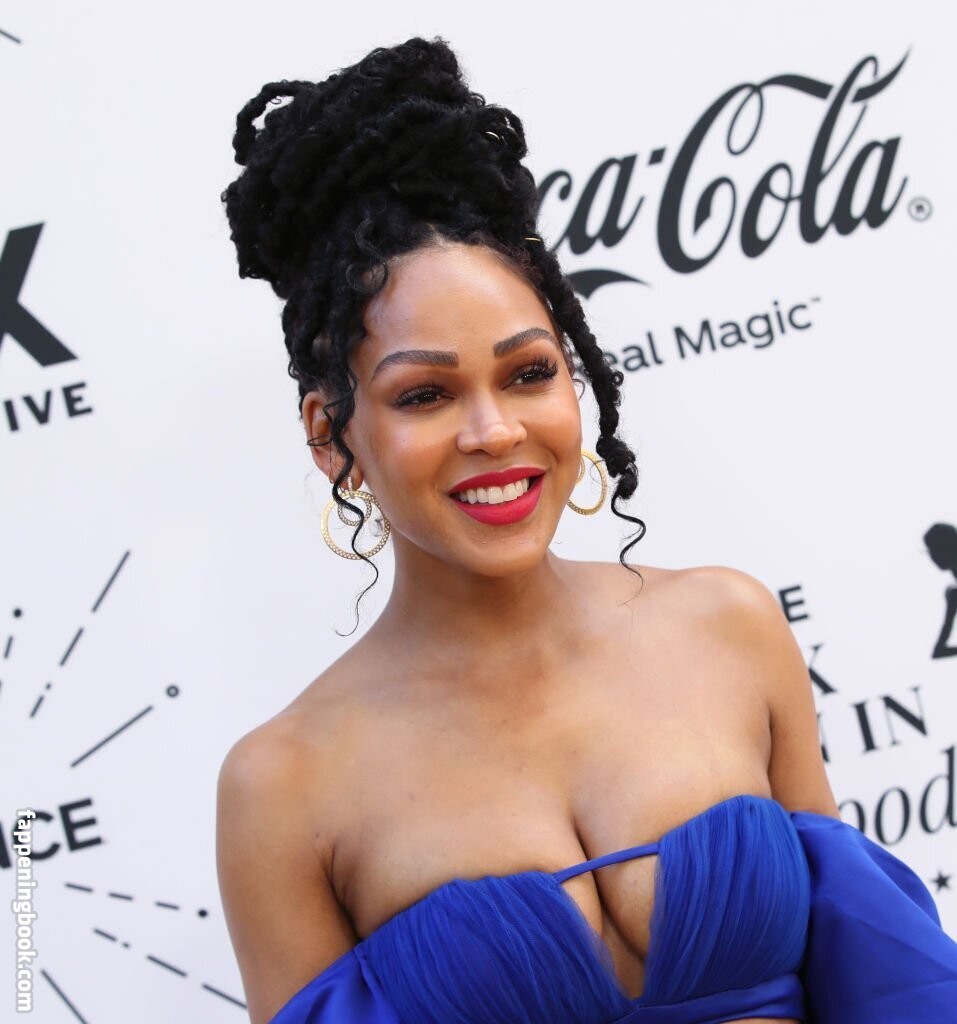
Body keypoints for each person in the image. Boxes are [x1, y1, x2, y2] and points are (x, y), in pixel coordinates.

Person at [215, 36, 957, 1024]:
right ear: (330, 434)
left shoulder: (729, 625)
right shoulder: (283, 788)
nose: (494, 432)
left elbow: (880, 981)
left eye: (528, 373)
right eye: (426, 393)